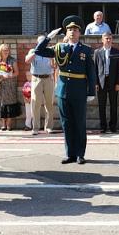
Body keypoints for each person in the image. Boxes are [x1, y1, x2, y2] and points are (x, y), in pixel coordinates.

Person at [37, 15, 97, 165]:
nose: (72, 32)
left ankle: (80, 154)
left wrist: (91, 92)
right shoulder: (59, 48)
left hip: (79, 90)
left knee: (79, 123)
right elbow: (39, 51)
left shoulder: (86, 50)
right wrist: (48, 37)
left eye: (75, 30)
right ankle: (70, 153)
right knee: (66, 123)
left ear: (79, 33)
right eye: (69, 29)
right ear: (66, 32)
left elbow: (91, 73)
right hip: (63, 91)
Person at [25, 35, 56, 135]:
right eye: (40, 42)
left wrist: (52, 58)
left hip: (48, 78)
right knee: (35, 104)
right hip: (37, 78)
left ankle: (49, 127)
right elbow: (27, 60)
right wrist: (36, 52)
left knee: (49, 104)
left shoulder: (50, 51)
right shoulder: (33, 51)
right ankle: (35, 128)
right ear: (38, 43)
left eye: (44, 42)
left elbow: (54, 66)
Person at [94, 32, 119, 133]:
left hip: (113, 81)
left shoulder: (116, 52)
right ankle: (103, 126)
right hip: (102, 82)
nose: (108, 40)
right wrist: (96, 83)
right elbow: (95, 69)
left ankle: (113, 126)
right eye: (106, 38)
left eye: (110, 38)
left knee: (113, 104)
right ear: (102, 40)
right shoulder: (97, 52)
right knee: (101, 105)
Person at [0, 43, 21, 131]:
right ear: (1, 51)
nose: (6, 52)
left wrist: (9, 76)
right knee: (2, 103)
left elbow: (17, 72)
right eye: (4, 50)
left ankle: (9, 124)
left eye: (7, 50)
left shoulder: (12, 60)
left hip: (10, 85)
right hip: (1, 85)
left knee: (10, 104)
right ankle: (3, 124)